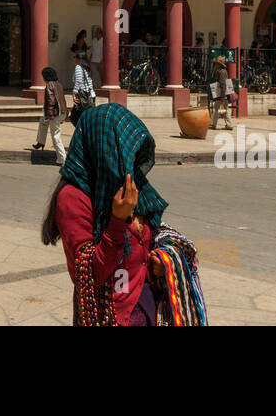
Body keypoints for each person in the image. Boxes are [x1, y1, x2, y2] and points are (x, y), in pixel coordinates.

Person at [42, 104, 205, 326]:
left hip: (144, 307)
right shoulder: (73, 198)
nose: (134, 159)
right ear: (106, 149)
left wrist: (160, 263)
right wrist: (117, 220)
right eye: (127, 151)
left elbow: (146, 239)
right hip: (107, 316)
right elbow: (90, 274)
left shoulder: (124, 183)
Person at [33, 66, 68, 163]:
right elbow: (62, 100)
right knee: (43, 122)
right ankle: (41, 142)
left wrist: (51, 115)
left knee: (56, 135)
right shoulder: (59, 84)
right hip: (61, 112)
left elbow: (51, 101)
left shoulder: (49, 85)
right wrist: (63, 115)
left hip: (54, 113)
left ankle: (62, 159)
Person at [211, 55, 234, 130]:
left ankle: (227, 124)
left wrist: (222, 97)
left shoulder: (222, 72)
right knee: (221, 109)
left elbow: (223, 85)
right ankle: (215, 124)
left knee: (221, 109)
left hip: (222, 94)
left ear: (219, 64)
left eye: (216, 63)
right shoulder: (220, 71)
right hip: (222, 94)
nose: (215, 65)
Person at [71, 53, 95, 124]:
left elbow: (78, 81)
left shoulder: (78, 67)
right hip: (91, 96)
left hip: (82, 97)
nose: (73, 59)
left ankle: (82, 133)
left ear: (79, 58)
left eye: (74, 57)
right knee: (87, 119)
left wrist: (74, 94)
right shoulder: (87, 67)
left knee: (74, 118)